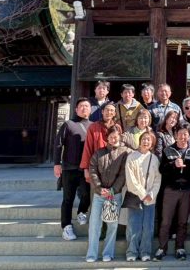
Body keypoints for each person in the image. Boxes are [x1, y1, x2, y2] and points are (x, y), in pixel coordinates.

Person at [86, 124, 131, 263]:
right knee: (95, 224)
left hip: (114, 195)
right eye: (111, 137)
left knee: (112, 225)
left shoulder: (124, 153)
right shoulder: (99, 153)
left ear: (120, 137)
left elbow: (123, 174)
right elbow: (92, 170)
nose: (113, 139)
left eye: (115, 136)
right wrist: (100, 188)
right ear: (107, 138)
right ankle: (92, 254)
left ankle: (108, 253)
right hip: (99, 194)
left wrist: (113, 190)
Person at [155, 123, 190, 261]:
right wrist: (173, 164)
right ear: (175, 135)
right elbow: (161, 169)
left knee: (182, 221)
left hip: (186, 191)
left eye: (185, 134)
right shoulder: (168, 150)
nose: (182, 136)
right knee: (166, 221)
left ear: (189, 136)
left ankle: (180, 248)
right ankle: (162, 248)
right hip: (170, 190)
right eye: (180, 133)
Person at [53, 97, 92, 241]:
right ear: (76, 109)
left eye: (87, 106)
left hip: (85, 168)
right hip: (69, 168)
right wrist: (57, 163)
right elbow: (58, 144)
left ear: (90, 109)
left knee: (87, 195)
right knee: (68, 198)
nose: (84, 108)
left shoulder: (93, 126)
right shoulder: (68, 124)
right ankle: (66, 226)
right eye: (81, 106)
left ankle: (82, 211)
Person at [124, 131, 161, 262]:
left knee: (148, 227)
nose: (146, 141)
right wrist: (142, 194)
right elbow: (130, 179)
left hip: (150, 198)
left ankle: (145, 251)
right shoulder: (131, 157)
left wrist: (151, 194)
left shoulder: (154, 159)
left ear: (152, 143)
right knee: (134, 226)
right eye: (144, 139)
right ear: (139, 141)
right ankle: (132, 252)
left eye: (148, 140)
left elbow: (157, 179)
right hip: (135, 196)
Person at [80, 103, 117, 182]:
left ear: (114, 114)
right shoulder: (93, 127)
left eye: (111, 110)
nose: (109, 112)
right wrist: (86, 169)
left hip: (113, 166)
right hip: (96, 166)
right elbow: (88, 148)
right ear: (102, 111)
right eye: (107, 110)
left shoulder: (117, 128)